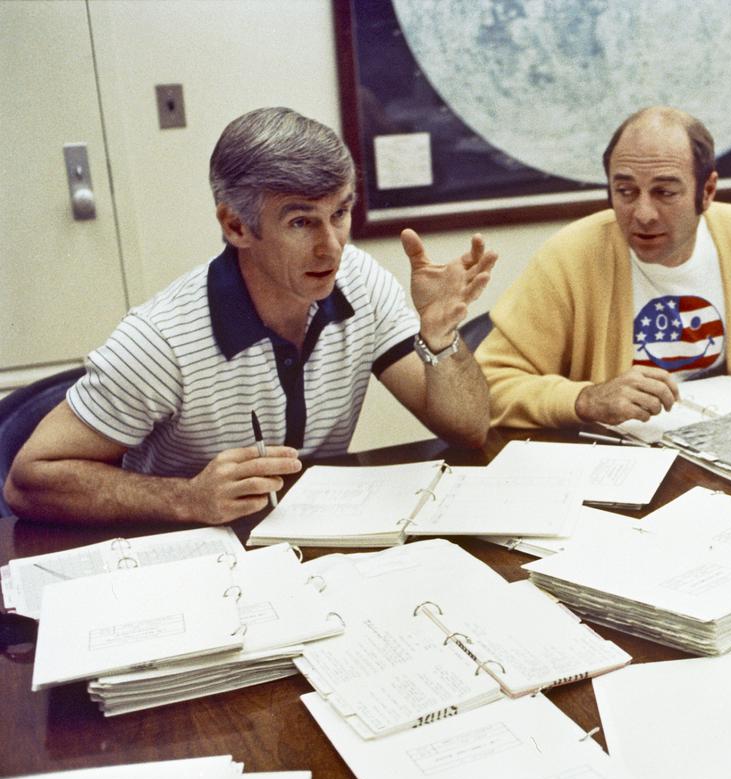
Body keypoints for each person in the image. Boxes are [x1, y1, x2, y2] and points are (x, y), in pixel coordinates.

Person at [5, 107, 495, 526]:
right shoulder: (161, 339)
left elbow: (469, 430)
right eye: (301, 221)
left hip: (304, 539)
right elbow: (29, 481)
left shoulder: (360, 280)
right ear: (236, 225)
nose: (332, 246)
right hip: (186, 557)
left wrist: (441, 336)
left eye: (340, 214)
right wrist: (186, 498)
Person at [475, 106, 731, 428]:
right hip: (619, 462)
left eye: (665, 192)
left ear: (707, 192)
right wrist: (586, 399)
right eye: (625, 192)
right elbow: (486, 384)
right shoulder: (570, 257)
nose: (642, 213)